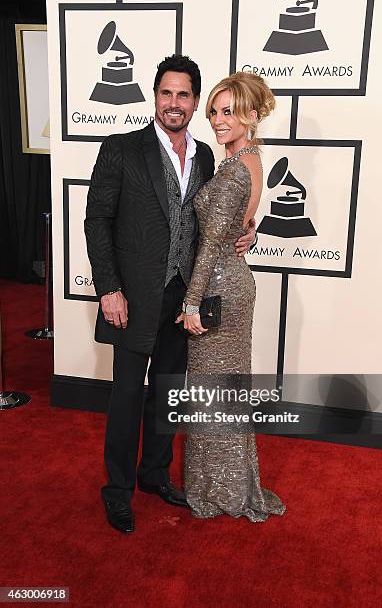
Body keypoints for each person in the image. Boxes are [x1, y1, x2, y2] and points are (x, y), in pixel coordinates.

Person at [84, 55, 256, 534]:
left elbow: (215, 220)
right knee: (125, 398)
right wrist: (110, 288)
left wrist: (249, 232)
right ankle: (117, 491)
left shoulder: (206, 155)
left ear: (195, 102)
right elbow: (96, 221)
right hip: (134, 298)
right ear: (154, 96)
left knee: (167, 392)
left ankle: (154, 474)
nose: (174, 103)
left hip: (184, 298)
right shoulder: (121, 149)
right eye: (166, 93)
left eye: (183, 95)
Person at [177, 72, 286, 521]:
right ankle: (231, 486)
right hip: (236, 282)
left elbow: (210, 244)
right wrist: (250, 231)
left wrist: (191, 303)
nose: (218, 121)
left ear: (252, 116)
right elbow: (236, 227)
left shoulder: (236, 169)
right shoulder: (250, 160)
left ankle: (218, 493)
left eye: (230, 112)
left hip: (219, 289)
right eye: (216, 112)